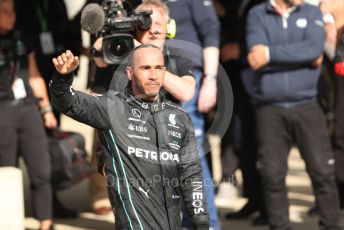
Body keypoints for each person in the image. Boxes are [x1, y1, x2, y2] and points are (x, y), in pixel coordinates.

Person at [50, 45, 209, 229]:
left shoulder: (180, 118)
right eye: (145, 68)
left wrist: (202, 224)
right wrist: (63, 78)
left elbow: (192, 177)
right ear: (130, 73)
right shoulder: (111, 108)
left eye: (158, 68)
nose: (153, 75)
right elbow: (67, 102)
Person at [88, 0, 197, 215]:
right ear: (135, 28)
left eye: (159, 24)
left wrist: (149, 61)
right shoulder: (119, 58)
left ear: (169, 28)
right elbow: (96, 90)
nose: (154, 30)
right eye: (146, 23)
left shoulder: (176, 58)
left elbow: (186, 92)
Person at [245, 0, 342, 229]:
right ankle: (279, 226)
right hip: (270, 109)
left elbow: (314, 49)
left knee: (323, 172)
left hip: (307, 105)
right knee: (272, 175)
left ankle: (331, 224)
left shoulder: (311, 12)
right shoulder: (257, 14)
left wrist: (269, 53)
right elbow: (254, 58)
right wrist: (300, 57)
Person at [0, 0, 56, 229]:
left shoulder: (22, 39)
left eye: (12, 11)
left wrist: (46, 110)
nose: (10, 16)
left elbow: (34, 75)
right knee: (6, 171)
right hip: (2, 112)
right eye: (4, 12)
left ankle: (46, 222)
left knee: (41, 170)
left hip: (28, 109)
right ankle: (9, 221)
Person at [166, 0, 221, 229]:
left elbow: (211, 32)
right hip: (153, 79)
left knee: (192, 160)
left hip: (188, 79)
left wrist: (210, 79)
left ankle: (207, 225)